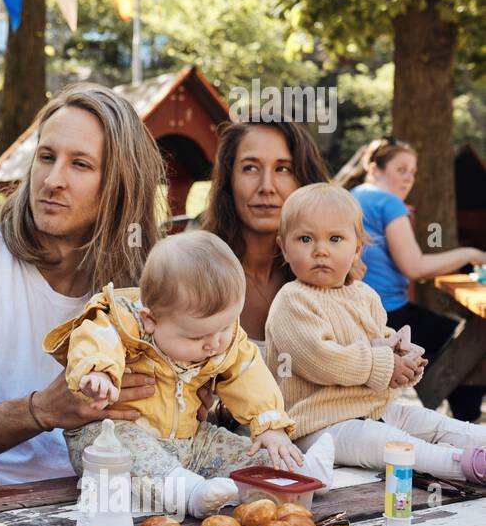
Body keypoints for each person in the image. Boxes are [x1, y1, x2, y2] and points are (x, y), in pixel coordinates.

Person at [0, 81, 166, 490]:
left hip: (112, 497)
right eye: (46, 157)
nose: (52, 180)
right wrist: (40, 411)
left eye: (80, 164)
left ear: (121, 185)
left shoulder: (151, 284)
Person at [45, 231, 332, 518]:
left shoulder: (221, 339)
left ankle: (297, 473)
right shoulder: (125, 326)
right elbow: (96, 337)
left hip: (190, 442)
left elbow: (247, 371)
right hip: (117, 433)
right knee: (123, 453)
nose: (215, 343)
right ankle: (189, 494)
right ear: (151, 320)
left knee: (240, 450)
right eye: (198, 337)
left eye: (226, 326)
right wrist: (100, 372)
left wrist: (269, 424)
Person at [265, 184, 486, 484]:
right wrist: (383, 364)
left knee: (427, 420)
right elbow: (319, 360)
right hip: (316, 424)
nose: (321, 249)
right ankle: (462, 465)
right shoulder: (292, 300)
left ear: (356, 248)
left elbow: (381, 342)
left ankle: (478, 439)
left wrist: (403, 363)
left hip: (371, 406)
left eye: (335, 239)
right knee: (386, 441)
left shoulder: (364, 295)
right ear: (284, 247)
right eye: (305, 239)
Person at [338, 137, 486, 423]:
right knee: (466, 342)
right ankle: (462, 421)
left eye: (413, 172)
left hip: (357, 309)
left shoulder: (354, 196)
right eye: (401, 169)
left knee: (456, 339)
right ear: (375, 167)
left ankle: (455, 416)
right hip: (388, 313)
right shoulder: (388, 202)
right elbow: (415, 266)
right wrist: (470, 253)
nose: (408, 178)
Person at [198, 119, 331, 348]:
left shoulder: (331, 273)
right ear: (228, 181)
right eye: (250, 167)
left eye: (283, 169)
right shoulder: (194, 273)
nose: (266, 186)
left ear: (305, 181)